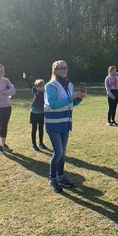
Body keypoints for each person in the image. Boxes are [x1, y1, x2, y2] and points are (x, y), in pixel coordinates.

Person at [44, 60, 85, 193]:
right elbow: (54, 104)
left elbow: (70, 103)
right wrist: (72, 96)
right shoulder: (50, 86)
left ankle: (60, 176)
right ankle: (52, 179)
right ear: (55, 71)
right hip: (53, 124)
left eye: (66, 67)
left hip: (65, 122)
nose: (65, 70)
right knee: (58, 152)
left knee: (63, 152)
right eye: (61, 68)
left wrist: (78, 98)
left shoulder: (69, 84)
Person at [20, 72, 48, 152]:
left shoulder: (46, 93)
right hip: (34, 113)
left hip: (42, 114)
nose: (41, 87)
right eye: (39, 86)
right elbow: (30, 84)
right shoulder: (35, 91)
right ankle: (34, 145)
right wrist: (26, 78)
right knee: (34, 129)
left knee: (41, 129)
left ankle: (41, 143)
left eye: (42, 86)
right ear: (36, 87)